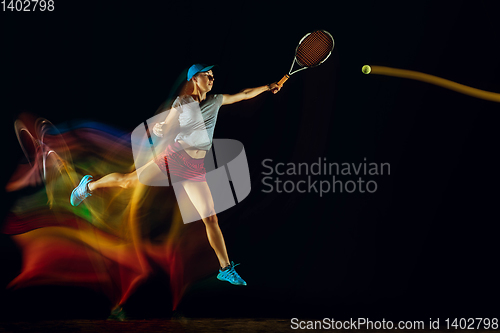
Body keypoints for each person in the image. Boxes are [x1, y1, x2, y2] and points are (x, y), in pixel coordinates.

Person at [70, 64, 281, 288]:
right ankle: (89, 186)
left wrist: (268, 87)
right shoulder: (182, 103)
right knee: (128, 183)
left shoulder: (216, 100)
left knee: (210, 218)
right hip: (175, 158)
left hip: (195, 168)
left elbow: (244, 94)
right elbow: (166, 125)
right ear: (194, 79)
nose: (211, 78)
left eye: (212, 75)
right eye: (206, 75)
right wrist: (161, 129)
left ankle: (225, 268)